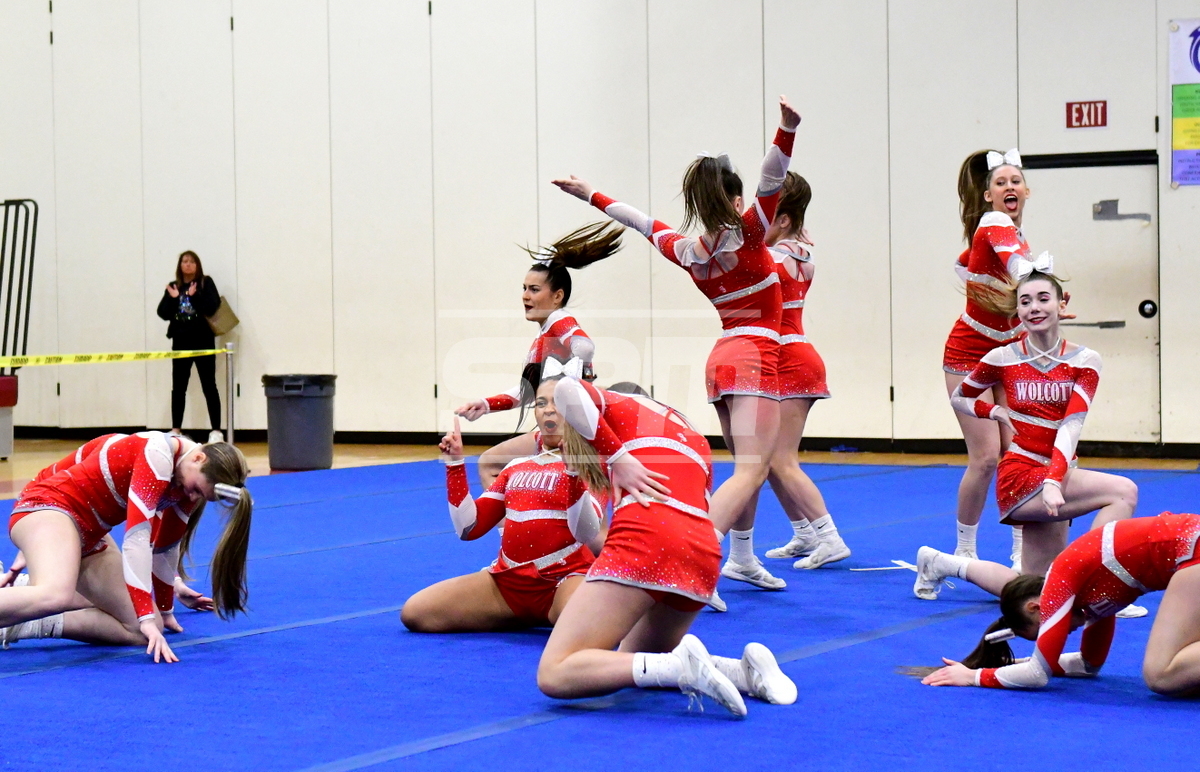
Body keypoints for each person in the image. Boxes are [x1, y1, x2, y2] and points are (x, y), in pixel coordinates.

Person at [553, 96, 801, 593]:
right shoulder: (751, 234)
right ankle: (689, 556)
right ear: (736, 203)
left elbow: (640, 221)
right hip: (756, 357)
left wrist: (590, 194)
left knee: (747, 467)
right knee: (752, 470)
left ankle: (742, 557)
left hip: (724, 358)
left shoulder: (688, 250)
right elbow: (772, 177)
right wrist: (787, 129)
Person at [535, 375, 796, 716]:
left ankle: (682, 667)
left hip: (647, 536)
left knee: (555, 672)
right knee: (637, 661)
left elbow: (567, 388)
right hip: (703, 551)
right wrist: (576, 473)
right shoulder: (689, 434)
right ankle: (744, 673)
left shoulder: (619, 407)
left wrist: (616, 457)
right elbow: (586, 530)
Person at [914, 270, 1138, 599]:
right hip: (1021, 475)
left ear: (1062, 305)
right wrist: (994, 412)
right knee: (1123, 492)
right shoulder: (1003, 357)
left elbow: (1071, 424)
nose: (1034, 307)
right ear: (1017, 311)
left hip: (1057, 472)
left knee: (1040, 592)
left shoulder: (1085, 360)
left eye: (1043, 299)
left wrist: (1055, 479)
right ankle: (1100, 587)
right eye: (1025, 301)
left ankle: (942, 564)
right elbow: (960, 397)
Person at [0, 432, 253, 662]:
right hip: (51, 507)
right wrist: (38, 541)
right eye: (197, 490)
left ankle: (19, 623)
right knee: (56, 595)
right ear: (198, 458)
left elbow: (165, 549)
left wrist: (165, 609)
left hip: (89, 533)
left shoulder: (184, 479)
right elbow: (137, 540)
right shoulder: (157, 454)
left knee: (141, 629)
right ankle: (38, 586)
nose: (193, 497)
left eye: (201, 497)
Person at [916, 512, 1200, 696]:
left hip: (1192, 550)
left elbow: (1038, 675)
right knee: (1183, 671)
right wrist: (1018, 662)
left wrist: (974, 676)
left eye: (1044, 633)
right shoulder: (1092, 597)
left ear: (1035, 607)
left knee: (1160, 674)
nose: (1062, 633)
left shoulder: (1060, 581)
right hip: (1191, 550)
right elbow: (1089, 665)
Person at [401, 375, 603, 632]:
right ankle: (520, 613)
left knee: (585, 625)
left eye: (558, 402)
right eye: (541, 403)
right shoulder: (515, 467)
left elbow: (586, 532)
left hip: (563, 580)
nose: (548, 409)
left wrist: (573, 475)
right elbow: (468, 528)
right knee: (415, 613)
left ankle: (555, 610)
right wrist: (455, 465)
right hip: (506, 584)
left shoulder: (591, 466)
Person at [733, 171, 849, 571]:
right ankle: (804, 533)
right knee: (768, 458)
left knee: (781, 458)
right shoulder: (799, 251)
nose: (753, 225)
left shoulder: (775, 258)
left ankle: (830, 538)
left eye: (764, 216)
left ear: (783, 220)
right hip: (792, 354)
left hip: (789, 359)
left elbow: (740, 255)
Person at [454, 223, 621, 488]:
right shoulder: (544, 335)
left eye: (534, 289)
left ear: (557, 296)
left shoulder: (557, 319)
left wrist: (574, 381)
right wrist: (486, 405)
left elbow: (585, 348)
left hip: (570, 432)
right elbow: (529, 392)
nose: (525, 296)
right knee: (492, 463)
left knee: (492, 464)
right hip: (560, 427)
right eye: (524, 288)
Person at [942, 150, 1033, 566]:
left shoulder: (1014, 236)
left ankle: (1022, 549)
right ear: (988, 195)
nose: (1009, 186)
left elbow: (970, 265)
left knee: (1018, 454)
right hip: (969, 354)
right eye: (1001, 182)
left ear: (1027, 191)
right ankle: (964, 549)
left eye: (1016, 181)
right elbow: (1020, 270)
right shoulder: (994, 223)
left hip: (1008, 355)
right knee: (984, 457)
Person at [156, 250, 223, 443]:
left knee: (209, 386)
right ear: (180, 265)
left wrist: (194, 297)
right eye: (184, 261)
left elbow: (212, 307)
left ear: (197, 265)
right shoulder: (174, 286)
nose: (188, 264)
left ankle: (216, 430)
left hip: (203, 342)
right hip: (181, 342)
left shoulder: (205, 283)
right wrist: (174, 298)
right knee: (178, 387)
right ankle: (176, 429)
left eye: (192, 261)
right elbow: (163, 313)